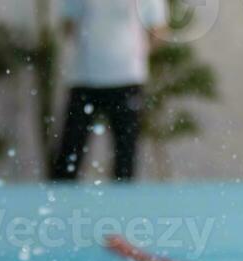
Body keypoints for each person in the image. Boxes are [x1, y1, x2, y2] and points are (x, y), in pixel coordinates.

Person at [49, 0, 169, 182]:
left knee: (125, 160)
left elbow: (158, 29)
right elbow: (68, 24)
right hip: (85, 78)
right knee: (68, 157)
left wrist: (135, 55)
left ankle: (122, 208)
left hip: (127, 79)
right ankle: (58, 207)